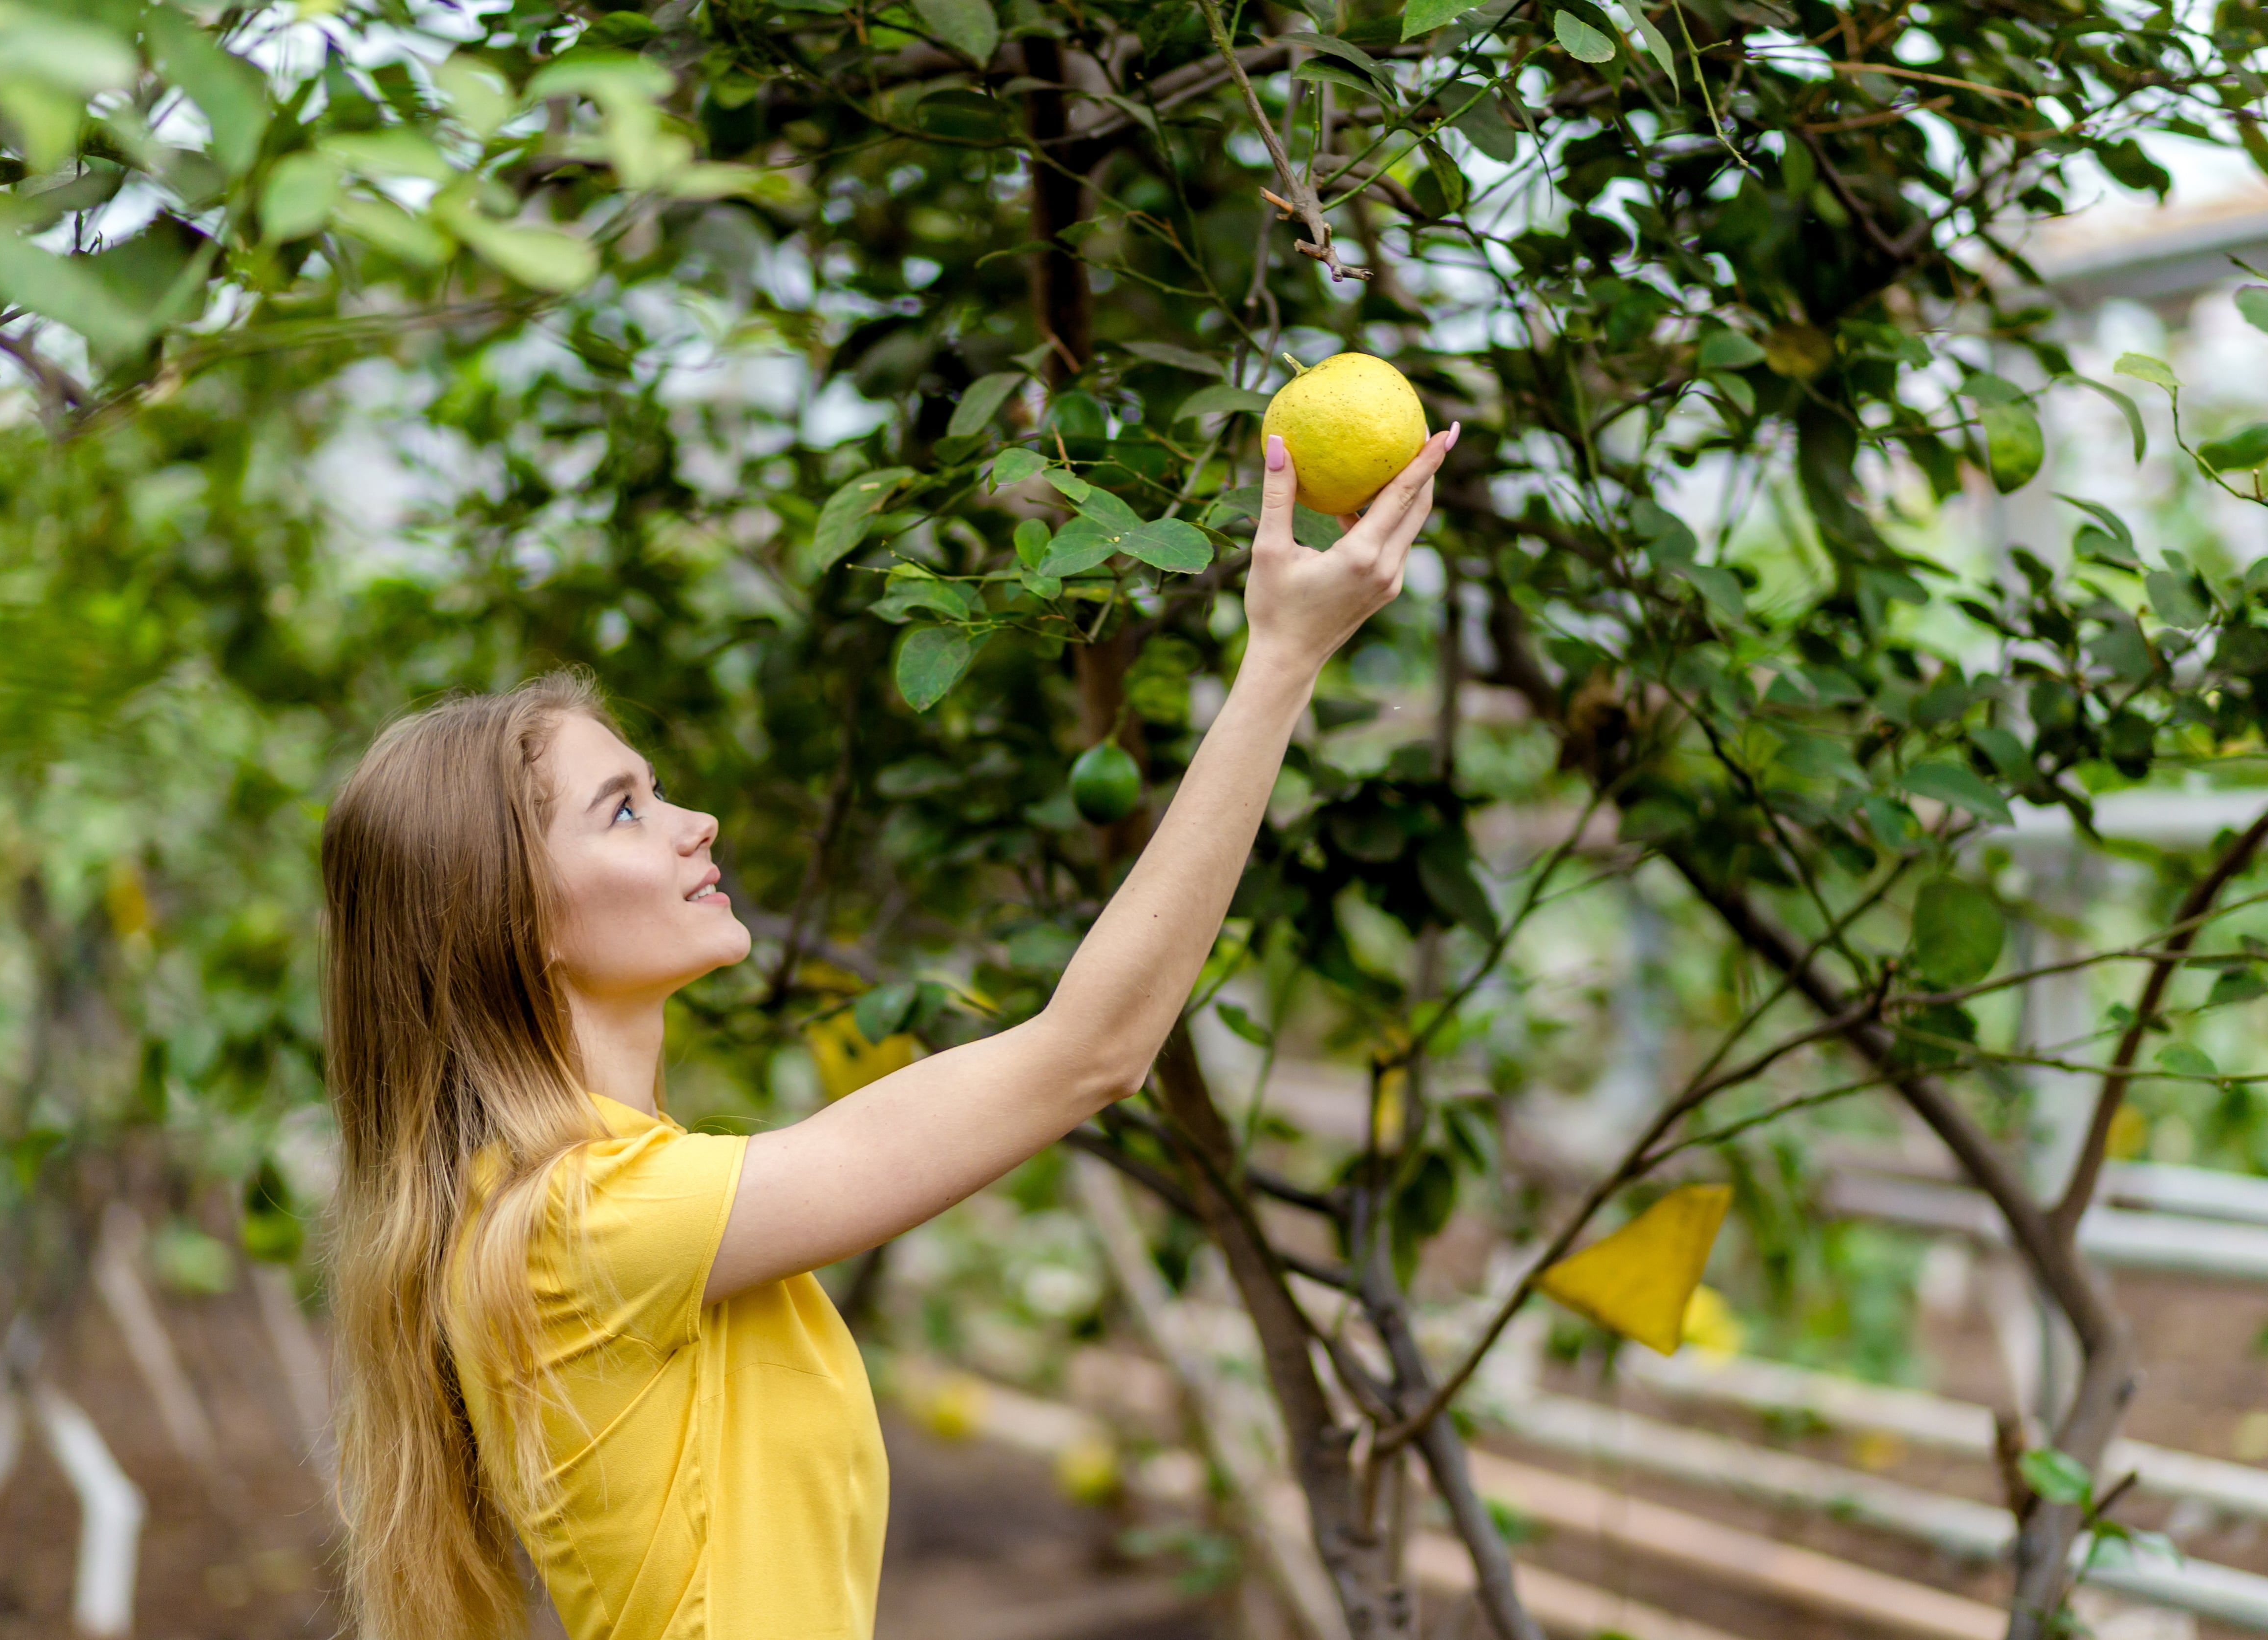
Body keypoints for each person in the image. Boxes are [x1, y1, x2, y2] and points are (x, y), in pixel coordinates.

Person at [318, 424, 1458, 1640]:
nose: (696, 822)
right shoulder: (583, 1222)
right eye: (625, 810)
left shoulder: (593, 1204)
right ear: (512, 915)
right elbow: (1091, 1051)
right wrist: (1280, 656)